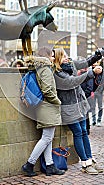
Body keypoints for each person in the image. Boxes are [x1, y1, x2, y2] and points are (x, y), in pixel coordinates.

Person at [52, 48, 104, 175]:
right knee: (78, 132)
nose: (66, 57)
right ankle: (85, 163)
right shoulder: (58, 73)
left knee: (84, 131)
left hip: (79, 105)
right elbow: (72, 81)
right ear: (58, 59)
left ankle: (90, 159)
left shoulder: (70, 65)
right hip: (69, 108)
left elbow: (85, 62)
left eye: (66, 55)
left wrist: (97, 55)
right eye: (63, 56)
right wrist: (91, 72)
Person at [21, 47, 65, 177]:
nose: (53, 58)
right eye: (51, 56)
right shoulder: (45, 69)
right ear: (46, 56)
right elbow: (47, 90)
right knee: (46, 138)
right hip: (47, 106)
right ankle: (29, 164)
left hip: (44, 107)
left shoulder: (39, 68)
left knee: (48, 137)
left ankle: (50, 165)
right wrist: (57, 101)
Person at [89, 61, 104, 127]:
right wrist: (91, 91)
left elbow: (103, 81)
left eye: (96, 62)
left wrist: (101, 90)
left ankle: (99, 120)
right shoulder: (90, 70)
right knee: (93, 107)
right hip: (92, 92)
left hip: (99, 92)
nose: (94, 63)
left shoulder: (102, 72)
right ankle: (93, 120)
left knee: (100, 106)